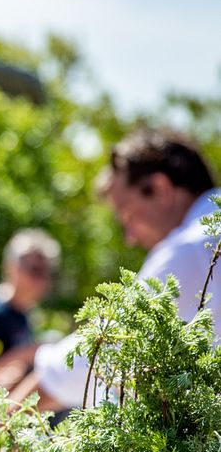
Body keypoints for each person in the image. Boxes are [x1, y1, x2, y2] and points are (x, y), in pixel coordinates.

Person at [27, 129, 219, 411]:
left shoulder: (195, 246)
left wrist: (13, 413)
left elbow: (104, 346)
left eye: (128, 215)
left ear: (160, 188)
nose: (129, 237)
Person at [0, 228, 60, 389]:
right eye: (34, 270)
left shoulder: (26, 314)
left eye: (46, 272)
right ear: (11, 267)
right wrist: (29, 354)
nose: (42, 280)